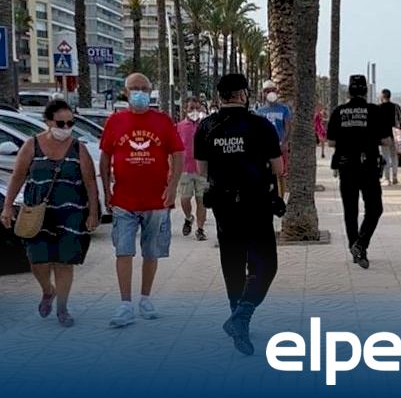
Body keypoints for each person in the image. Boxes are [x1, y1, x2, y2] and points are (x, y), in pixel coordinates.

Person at [195, 74, 285, 355]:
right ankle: (242, 315)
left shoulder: (205, 126)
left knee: (233, 261)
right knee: (265, 264)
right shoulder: (261, 125)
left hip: (224, 204)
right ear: (243, 95)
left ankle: (237, 315)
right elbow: (278, 168)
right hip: (256, 202)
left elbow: (202, 170)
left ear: (220, 96)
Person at [0, 99, 99, 328]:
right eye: (61, 123)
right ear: (48, 122)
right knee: (38, 261)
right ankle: (47, 290)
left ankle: (62, 308)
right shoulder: (31, 145)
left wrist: (93, 213)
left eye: (70, 123)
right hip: (38, 213)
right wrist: (7, 206)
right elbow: (17, 176)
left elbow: (90, 183)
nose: (66, 128)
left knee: (64, 262)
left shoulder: (79, 148)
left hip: (70, 213)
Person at [99, 73, 184, 328]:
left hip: (156, 200)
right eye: (134, 88)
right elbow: (105, 158)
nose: (139, 92)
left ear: (150, 91)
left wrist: (173, 187)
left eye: (144, 88)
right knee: (123, 251)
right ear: (125, 92)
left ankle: (145, 299)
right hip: (124, 200)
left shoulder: (162, 121)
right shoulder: (115, 121)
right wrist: (106, 190)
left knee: (151, 252)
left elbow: (178, 154)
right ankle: (125, 304)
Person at [328, 75, 393, 269]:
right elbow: (387, 140)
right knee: (375, 208)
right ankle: (361, 244)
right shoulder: (374, 111)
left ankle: (355, 248)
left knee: (350, 211)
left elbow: (330, 142)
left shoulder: (339, 111)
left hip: (346, 166)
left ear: (349, 91)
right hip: (368, 166)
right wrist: (371, 139)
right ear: (365, 91)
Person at [176, 98, 209, 241]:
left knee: (201, 200)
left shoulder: (205, 126)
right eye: (191, 108)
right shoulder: (179, 127)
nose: (194, 111)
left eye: (197, 108)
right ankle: (189, 217)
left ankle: (200, 229)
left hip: (203, 170)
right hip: (185, 169)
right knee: (185, 199)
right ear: (185, 109)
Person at [255, 80, 292, 195]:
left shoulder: (284, 109)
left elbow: (288, 127)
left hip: (280, 146)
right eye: (267, 91)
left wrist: (284, 143)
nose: (270, 93)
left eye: (272, 90)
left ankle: (281, 198)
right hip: (265, 149)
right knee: (265, 173)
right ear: (263, 93)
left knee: (281, 174)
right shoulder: (259, 111)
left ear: (276, 92)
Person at [378, 89, 401, 186]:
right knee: (394, 156)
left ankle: (387, 178)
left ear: (382, 96)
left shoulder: (379, 107)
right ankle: (395, 177)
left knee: (385, 157)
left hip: (383, 136)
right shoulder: (396, 107)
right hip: (395, 135)